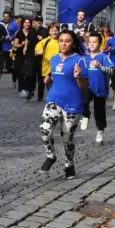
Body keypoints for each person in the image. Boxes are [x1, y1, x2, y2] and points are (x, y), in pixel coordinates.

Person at [39, 30, 89, 180]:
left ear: (73, 43)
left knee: (66, 138)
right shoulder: (54, 59)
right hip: (54, 99)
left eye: (67, 41)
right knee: (45, 129)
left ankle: (69, 164)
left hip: (72, 103)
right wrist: (49, 78)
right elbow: (57, 75)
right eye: (61, 40)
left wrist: (79, 77)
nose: (63, 43)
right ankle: (51, 156)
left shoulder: (80, 60)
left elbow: (85, 87)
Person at [82, 33, 113, 144]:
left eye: (95, 42)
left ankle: (100, 130)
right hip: (88, 85)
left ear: (99, 44)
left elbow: (111, 70)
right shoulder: (85, 58)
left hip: (100, 87)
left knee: (99, 110)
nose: (92, 44)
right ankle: (85, 115)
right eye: (90, 42)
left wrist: (100, 65)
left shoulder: (104, 57)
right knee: (84, 100)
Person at [14, 17, 40, 100]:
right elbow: (15, 44)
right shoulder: (19, 33)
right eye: (25, 22)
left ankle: (29, 89)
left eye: (28, 22)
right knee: (21, 72)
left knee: (29, 73)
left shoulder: (33, 32)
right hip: (20, 55)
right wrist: (21, 45)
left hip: (30, 55)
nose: (27, 24)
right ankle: (21, 89)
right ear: (23, 23)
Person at [34, 23, 60, 102]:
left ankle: (56, 102)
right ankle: (53, 102)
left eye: (56, 30)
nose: (54, 32)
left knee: (59, 87)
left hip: (59, 67)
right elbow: (35, 52)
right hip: (47, 68)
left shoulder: (61, 41)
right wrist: (38, 52)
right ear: (49, 32)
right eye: (52, 31)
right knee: (50, 87)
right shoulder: (44, 41)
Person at [2, 10, 19, 79]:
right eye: (4, 17)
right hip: (0, 46)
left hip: (9, 47)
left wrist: (13, 37)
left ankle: (14, 74)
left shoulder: (14, 25)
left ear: (10, 18)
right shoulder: (0, 23)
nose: (5, 18)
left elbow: (18, 33)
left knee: (9, 66)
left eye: (7, 17)